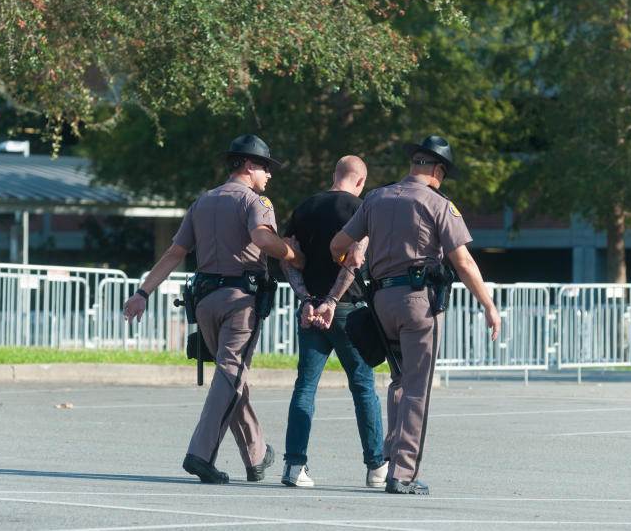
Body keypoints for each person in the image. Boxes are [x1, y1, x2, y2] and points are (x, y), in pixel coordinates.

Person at [123, 134, 304, 484]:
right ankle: (200, 454)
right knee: (230, 375)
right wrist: (295, 254)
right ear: (250, 166)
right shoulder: (257, 202)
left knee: (231, 377)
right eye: (266, 167)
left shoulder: (202, 202)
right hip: (241, 301)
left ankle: (256, 455)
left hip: (205, 301)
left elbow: (174, 254)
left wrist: (142, 292)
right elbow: (265, 240)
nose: (269, 175)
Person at [329, 135, 500, 496]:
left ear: (413, 165)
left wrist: (352, 264)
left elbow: (338, 246)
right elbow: (463, 261)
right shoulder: (438, 204)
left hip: (380, 302)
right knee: (417, 389)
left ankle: (392, 458)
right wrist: (487, 303)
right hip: (418, 302)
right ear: (438, 170)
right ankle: (403, 472)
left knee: (399, 381)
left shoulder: (376, 197)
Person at [278, 155, 387, 489]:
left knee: (305, 386)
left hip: (310, 312)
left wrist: (307, 299)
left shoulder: (304, 208)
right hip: (347, 310)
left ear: (334, 174)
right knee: (363, 386)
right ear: (360, 181)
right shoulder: (362, 208)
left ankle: (294, 466)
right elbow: (355, 258)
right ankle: (376, 468)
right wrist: (331, 301)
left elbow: (286, 257)